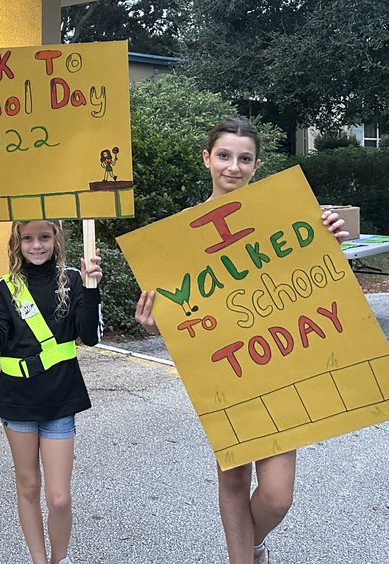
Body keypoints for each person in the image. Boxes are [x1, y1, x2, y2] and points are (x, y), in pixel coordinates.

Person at [135, 119, 347, 564]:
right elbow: (176, 318)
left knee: (276, 497)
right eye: (225, 156)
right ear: (207, 159)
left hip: (281, 367)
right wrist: (154, 325)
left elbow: (311, 285)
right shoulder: (179, 237)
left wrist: (328, 242)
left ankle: (252, 544)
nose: (233, 166)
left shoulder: (284, 221)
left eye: (244, 158)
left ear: (256, 165)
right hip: (225, 374)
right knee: (232, 481)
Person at [0, 221, 103, 564]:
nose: (37, 245)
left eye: (44, 237)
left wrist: (93, 287)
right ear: (17, 242)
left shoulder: (75, 280)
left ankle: (59, 559)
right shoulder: (7, 287)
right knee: (28, 486)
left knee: (59, 497)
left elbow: (90, 335)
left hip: (60, 397)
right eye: (28, 238)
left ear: (56, 239)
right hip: (18, 400)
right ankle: (39, 560)